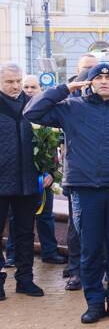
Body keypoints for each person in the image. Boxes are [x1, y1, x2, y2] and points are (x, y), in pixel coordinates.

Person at [26, 63, 109, 324]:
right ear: (90, 83)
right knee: (90, 249)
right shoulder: (72, 108)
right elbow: (32, 111)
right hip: (85, 190)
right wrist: (65, 88)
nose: (104, 81)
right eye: (98, 77)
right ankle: (95, 302)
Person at [4, 74, 67, 268]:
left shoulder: (38, 112)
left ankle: (41, 260)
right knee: (15, 222)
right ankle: (10, 259)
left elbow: (52, 147)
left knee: (38, 220)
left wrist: (50, 172)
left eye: (32, 86)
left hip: (37, 178)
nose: (23, 88)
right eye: (26, 86)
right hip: (8, 179)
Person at [0, 63, 48, 301]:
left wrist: (48, 170)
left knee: (25, 233)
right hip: (1, 182)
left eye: (18, 81)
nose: (16, 86)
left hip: (27, 182)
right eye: (10, 81)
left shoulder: (32, 106)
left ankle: (25, 279)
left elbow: (47, 142)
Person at [62, 53, 100, 291]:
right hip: (78, 174)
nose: (91, 75)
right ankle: (75, 269)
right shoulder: (69, 102)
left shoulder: (108, 97)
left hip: (105, 174)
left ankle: (105, 268)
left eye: (95, 70)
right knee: (76, 226)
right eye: (86, 69)